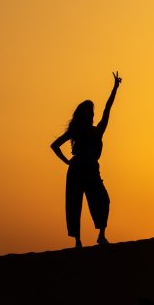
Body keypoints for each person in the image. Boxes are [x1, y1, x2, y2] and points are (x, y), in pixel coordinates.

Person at [51, 72, 122, 247]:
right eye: (90, 112)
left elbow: (107, 109)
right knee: (74, 204)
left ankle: (101, 235)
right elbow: (54, 145)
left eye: (92, 112)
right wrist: (67, 161)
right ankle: (78, 241)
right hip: (78, 169)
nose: (92, 115)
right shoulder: (77, 131)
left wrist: (115, 89)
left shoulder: (97, 130)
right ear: (85, 115)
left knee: (103, 200)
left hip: (90, 169)